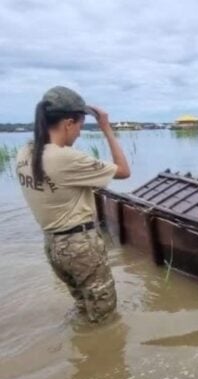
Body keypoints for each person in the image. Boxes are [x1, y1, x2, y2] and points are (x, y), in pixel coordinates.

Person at [17, 86, 131, 323]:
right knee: (105, 318)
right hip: (80, 247)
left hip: (53, 246)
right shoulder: (66, 159)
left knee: (83, 307)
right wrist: (106, 129)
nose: (80, 133)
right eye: (80, 125)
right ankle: (106, 358)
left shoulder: (25, 153)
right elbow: (123, 171)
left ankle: (83, 355)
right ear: (69, 123)